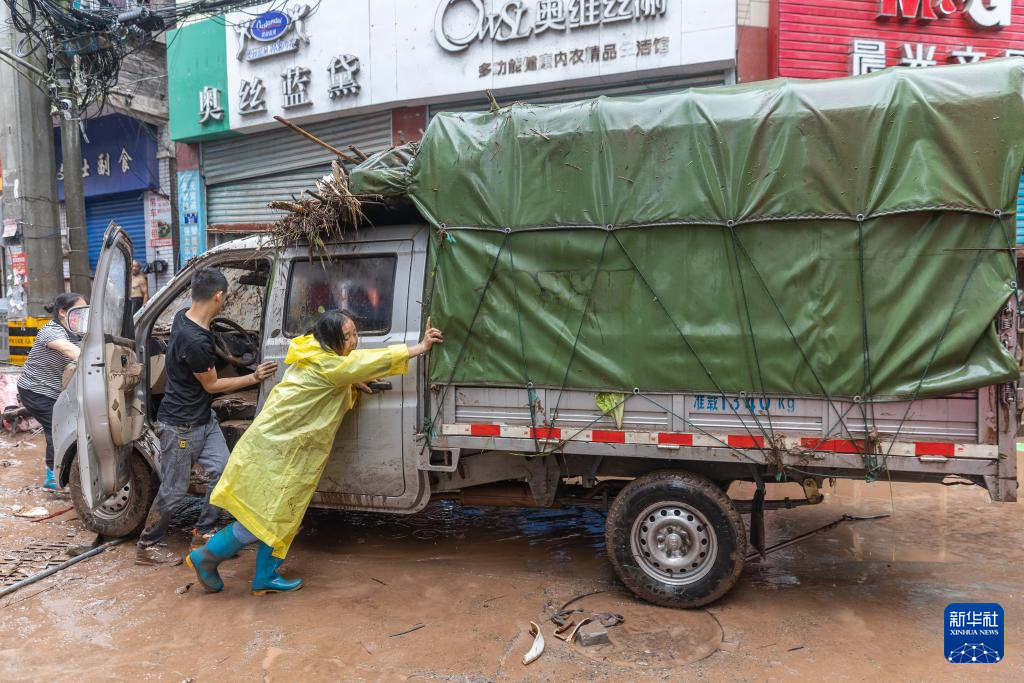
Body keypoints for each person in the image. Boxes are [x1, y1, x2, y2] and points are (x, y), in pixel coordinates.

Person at [186, 311, 443, 595]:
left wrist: (351, 380)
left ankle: (263, 576)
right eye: (348, 337)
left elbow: (343, 370)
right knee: (264, 518)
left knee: (281, 513)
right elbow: (365, 363)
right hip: (279, 449)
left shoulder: (311, 348)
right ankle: (207, 558)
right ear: (331, 339)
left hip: (277, 445)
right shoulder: (330, 367)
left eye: (355, 332)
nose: (355, 341)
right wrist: (420, 347)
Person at [135, 268, 278, 566]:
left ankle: (203, 530)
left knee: (223, 472)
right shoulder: (195, 341)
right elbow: (212, 385)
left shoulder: (184, 317)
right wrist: (254, 377)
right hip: (181, 426)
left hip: (203, 418)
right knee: (174, 489)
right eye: (225, 297)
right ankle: (148, 545)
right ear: (218, 296)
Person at [16, 292, 86, 490]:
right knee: (58, 429)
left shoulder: (77, 331)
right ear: (63, 312)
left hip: (56, 390)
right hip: (35, 390)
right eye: (78, 311)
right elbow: (69, 351)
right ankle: (52, 476)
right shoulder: (51, 330)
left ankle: (67, 468)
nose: (83, 315)